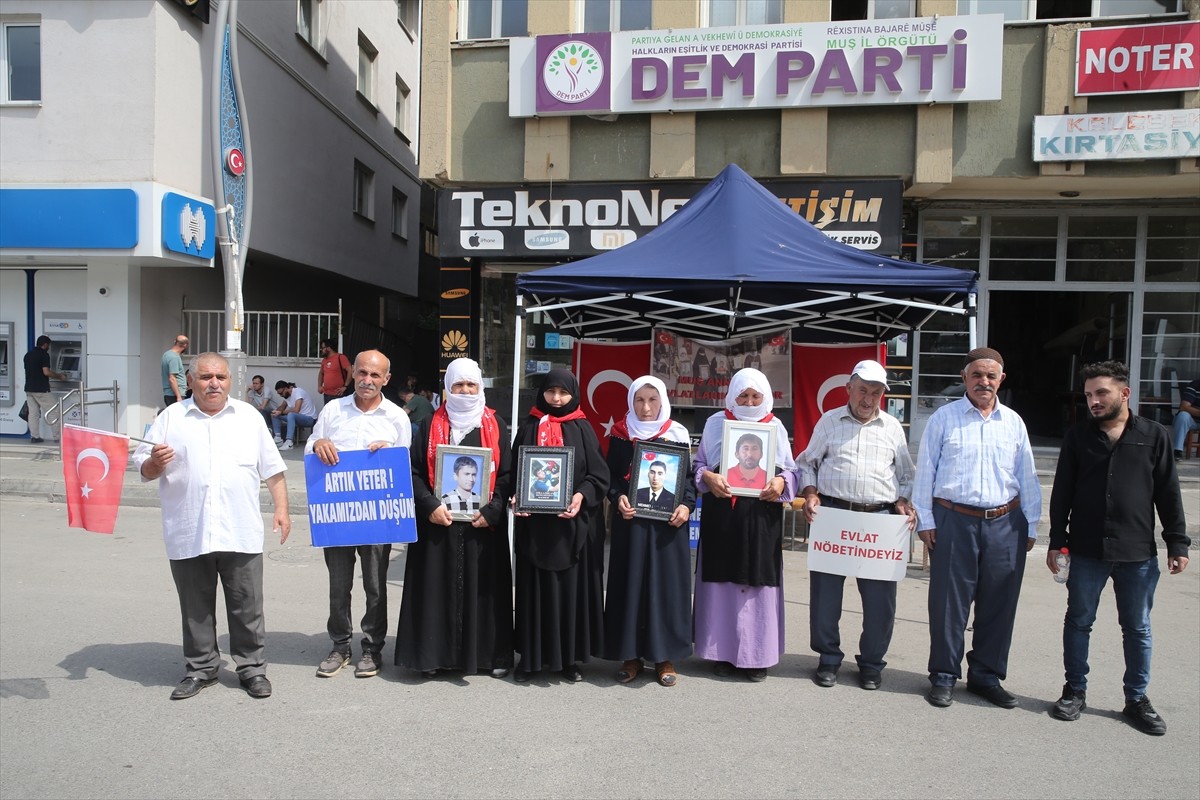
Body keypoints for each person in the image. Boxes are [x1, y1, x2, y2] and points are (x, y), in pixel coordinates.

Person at [133, 352, 290, 700]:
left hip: (240, 529)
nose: (214, 383)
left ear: (230, 381)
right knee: (195, 607)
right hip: (189, 528)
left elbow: (273, 469)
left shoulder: (248, 417)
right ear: (190, 381)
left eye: (220, 377)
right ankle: (201, 668)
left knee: (247, 605)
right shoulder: (170, 418)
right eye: (205, 377)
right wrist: (154, 465)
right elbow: (142, 468)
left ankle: (251, 669)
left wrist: (282, 509)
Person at [1047, 361, 1189, 735]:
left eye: (1101, 393)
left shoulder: (1154, 435)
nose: (1093, 401)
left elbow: (1168, 493)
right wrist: (1057, 542)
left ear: (1124, 394)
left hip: (1137, 553)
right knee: (1078, 622)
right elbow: (1062, 493)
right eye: (1089, 394)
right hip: (1086, 550)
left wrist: (1177, 541)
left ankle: (1136, 699)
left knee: (1137, 627)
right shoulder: (1078, 438)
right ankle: (1074, 691)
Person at [913, 346, 1042, 709]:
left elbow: (1027, 476)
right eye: (976, 375)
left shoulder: (1014, 422)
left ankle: (986, 676)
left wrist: (1030, 523)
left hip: (1005, 523)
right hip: (954, 520)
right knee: (948, 605)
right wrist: (926, 520)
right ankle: (943, 675)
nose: (984, 382)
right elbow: (926, 470)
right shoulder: (944, 418)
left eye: (991, 375)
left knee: (999, 603)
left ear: (1001, 379)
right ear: (964, 378)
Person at [796, 359, 917, 691]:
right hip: (833, 514)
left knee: (880, 600)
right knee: (825, 595)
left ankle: (872, 664)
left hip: (880, 520)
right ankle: (829, 659)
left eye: (876, 393)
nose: (868, 399)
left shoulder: (892, 427)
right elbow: (807, 463)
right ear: (849, 388)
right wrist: (810, 493)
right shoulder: (829, 422)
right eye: (863, 390)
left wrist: (903, 501)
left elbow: (906, 475)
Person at [394, 358, 515, 679]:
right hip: (439, 525)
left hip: (483, 527)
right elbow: (415, 472)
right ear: (447, 388)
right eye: (458, 385)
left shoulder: (495, 425)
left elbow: (506, 476)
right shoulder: (430, 425)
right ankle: (434, 655)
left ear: (480, 387)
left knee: (486, 590)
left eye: (471, 385)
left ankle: (490, 656)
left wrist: (493, 511)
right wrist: (429, 503)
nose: (465, 391)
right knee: (436, 588)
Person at [306, 350, 410, 679]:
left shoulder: (396, 418)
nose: (367, 380)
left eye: (375, 376)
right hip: (337, 514)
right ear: (353, 373)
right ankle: (339, 645)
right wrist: (319, 443)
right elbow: (311, 443)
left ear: (386, 380)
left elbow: (405, 466)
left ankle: (372, 646)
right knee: (339, 585)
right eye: (362, 373)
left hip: (376, 515)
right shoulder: (333, 409)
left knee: (376, 585)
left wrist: (390, 452)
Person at [693, 367, 796, 682]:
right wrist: (708, 476)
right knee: (721, 585)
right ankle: (721, 653)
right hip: (722, 518)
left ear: (765, 398)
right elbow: (697, 466)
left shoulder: (775, 427)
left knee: (756, 585)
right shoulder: (714, 424)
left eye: (755, 396)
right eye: (743, 395)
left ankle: (756, 656)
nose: (750, 402)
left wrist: (780, 482)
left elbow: (791, 471)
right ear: (732, 396)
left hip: (761, 521)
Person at [510, 368, 610, 683]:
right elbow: (514, 472)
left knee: (569, 595)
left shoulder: (582, 427)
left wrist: (580, 496)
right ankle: (530, 659)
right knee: (534, 593)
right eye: (551, 391)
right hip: (536, 528)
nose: (556, 399)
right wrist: (516, 497)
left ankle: (569, 660)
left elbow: (598, 475)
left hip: (572, 528)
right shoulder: (528, 426)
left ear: (573, 395)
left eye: (563, 393)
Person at [604, 375, 695, 687]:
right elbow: (611, 478)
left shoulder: (677, 433)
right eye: (639, 400)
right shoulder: (620, 433)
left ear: (663, 402)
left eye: (652, 400)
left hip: (668, 527)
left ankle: (664, 656)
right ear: (631, 401)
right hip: (631, 523)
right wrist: (618, 498)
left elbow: (688, 481)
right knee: (630, 587)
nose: (645, 408)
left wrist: (687, 505)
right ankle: (630, 656)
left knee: (665, 589)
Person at [23, 335, 66, 444]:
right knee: (54, 411)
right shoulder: (44, 355)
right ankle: (58, 437)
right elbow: (46, 372)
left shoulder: (28, 355)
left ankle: (35, 437)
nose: (49, 347)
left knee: (33, 413)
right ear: (45, 344)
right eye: (48, 345)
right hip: (41, 389)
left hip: (29, 388)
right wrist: (59, 376)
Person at [271, 380, 317, 450]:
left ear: (286, 388)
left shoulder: (297, 392)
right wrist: (277, 411)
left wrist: (281, 412)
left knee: (291, 414)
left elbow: (296, 410)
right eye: (279, 394)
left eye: (281, 393)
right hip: (298, 418)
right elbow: (282, 407)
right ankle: (278, 439)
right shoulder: (287, 396)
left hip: (310, 419)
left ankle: (289, 442)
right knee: (275, 414)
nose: (281, 395)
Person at [1171, 377, 1199, 462]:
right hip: (1192, 421)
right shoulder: (1196, 385)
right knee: (1183, 415)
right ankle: (1177, 451)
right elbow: (1184, 406)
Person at [317, 338, 351, 405]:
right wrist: (319, 386)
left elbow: (350, 371)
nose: (321, 350)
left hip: (338, 394)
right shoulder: (324, 360)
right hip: (327, 394)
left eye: (323, 348)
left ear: (329, 348)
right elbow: (321, 374)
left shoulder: (340, 357)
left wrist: (345, 386)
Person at [161, 334, 189, 407]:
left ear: (175, 341)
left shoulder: (167, 354)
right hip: (175, 394)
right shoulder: (174, 358)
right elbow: (172, 378)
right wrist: (178, 396)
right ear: (185, 345)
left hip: (169, 393)